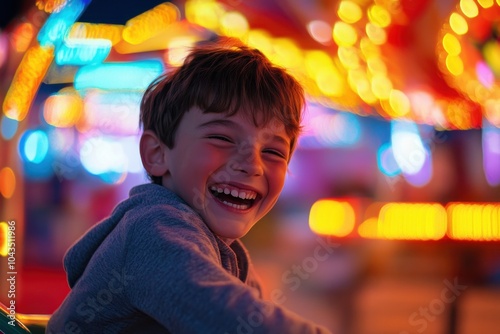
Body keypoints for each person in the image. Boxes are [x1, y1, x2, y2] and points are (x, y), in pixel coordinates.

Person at [47, 37, 331, 334]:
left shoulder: (227, 254)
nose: (252, 165)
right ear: (157, 154)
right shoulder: (153, 230)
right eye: (222, 138)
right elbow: (228, 319)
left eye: (273, 152)